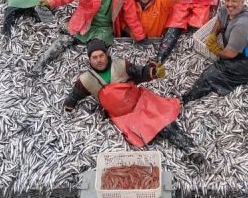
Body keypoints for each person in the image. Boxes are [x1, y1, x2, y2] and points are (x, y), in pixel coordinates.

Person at [64, 39, 205, 164]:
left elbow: (139, 73)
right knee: (141, 136)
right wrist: (68, 105)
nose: (99, 60)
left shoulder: (120, 65)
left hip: (140, 101)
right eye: (94, 57)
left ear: (107, 55)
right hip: (122, 116)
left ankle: (190, 149)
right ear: (90, 60)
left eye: (101, 56)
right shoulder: (85, 80)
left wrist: (152, 72)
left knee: (163, 122)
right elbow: (75, 95)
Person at [31, 0, 146, 74]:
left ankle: (99, 77)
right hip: (83, 21)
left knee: (97, 50)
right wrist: (50, 1)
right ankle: (38, 67)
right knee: (63, 41)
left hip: (103, 29)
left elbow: (131, 16)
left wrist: (139, 36)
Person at [181, 0, 248, 103]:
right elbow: (219, 20)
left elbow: (230, 54)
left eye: (234, 1)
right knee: (226, 64)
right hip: (242, 53)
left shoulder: (242, 25)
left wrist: (216, 50)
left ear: (242, 2)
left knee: (212, 73)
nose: (230, 4)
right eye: (227, 0)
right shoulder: (226, 10)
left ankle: (186, 99)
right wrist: (213, 34)